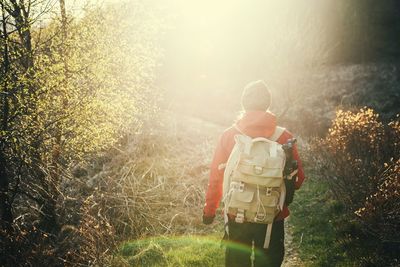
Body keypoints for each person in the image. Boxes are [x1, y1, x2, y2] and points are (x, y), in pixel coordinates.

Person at [202, 80, 305, 267]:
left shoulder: (229, 136)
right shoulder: (285, 137)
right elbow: (298, 179)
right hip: (272, 217)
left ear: (243, 103)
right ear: (268, 103)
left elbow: (216, 178)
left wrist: (209, 211)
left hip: (236, 215)